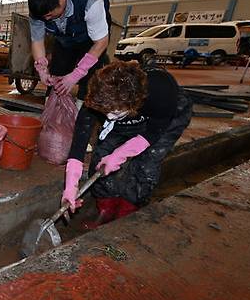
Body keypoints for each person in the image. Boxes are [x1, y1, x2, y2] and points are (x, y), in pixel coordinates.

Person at [62, 61, 192, 226]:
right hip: (125, 112)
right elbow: (79, 142)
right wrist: (70, 186)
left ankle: (126, 212)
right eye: (105, 112)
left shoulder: (162, 91)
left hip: (164, 117)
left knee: (146, 164)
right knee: (101, 158)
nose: (108, 118)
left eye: (113, 113)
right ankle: (106, 209)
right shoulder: (100, 97)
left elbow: (154, 131)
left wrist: (121, 154)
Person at [28, 0, 111, 103]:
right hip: (65, 38)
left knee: (91, 79)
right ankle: (51, 112)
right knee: (56, 74)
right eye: (43, 17)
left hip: (92, 39)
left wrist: (76, 75)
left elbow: (101, 42)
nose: (46, 19)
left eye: (49, 15)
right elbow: (37, 41)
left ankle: (85, 115)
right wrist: (42, 69)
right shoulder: (39, 9)